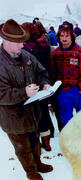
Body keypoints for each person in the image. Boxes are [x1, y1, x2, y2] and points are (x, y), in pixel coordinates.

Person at [0, 19, 53, 180]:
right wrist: (24, 93)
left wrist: (44, 84)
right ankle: (30, 170)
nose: (22, 46)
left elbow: (41, 72)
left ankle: (38, 163)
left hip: (32, 112)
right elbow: (2, 94)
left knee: (34, 141)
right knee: (22, 146)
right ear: (7, 41)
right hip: (13, 117)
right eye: (18, 43)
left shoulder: (26, 56)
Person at [50, 21, 81, 126]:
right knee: (67, 122)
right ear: (58, 36)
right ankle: (70, 140)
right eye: (61, 35)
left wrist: (80, 88)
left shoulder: (80, 53)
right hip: (63, 92)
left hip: (78, 91)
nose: (64, 38)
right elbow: (52, 73)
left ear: (72, 36)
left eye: (67, 36)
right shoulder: (55, 54)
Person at [22, 21, 55, 152]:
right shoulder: (44, 46)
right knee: (43, 114)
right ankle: (46, 142)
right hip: (43, 83)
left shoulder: (26, 50)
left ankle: (36, 144)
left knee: (33, 116)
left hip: (30, 86)